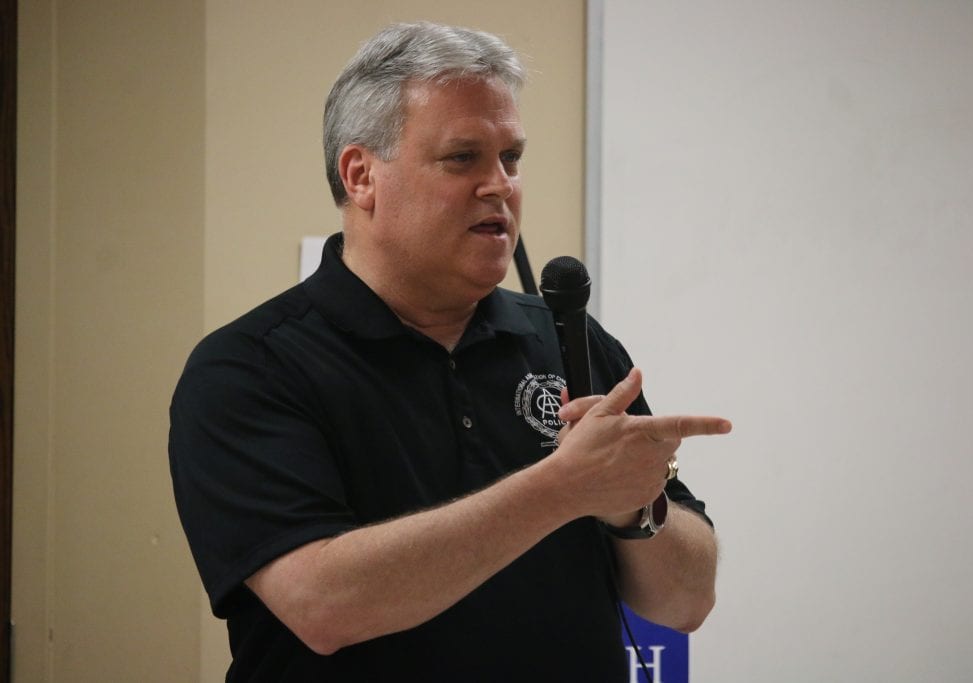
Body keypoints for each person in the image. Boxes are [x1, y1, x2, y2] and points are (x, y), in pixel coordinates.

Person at [169, 21, 731, 682]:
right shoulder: (249, 369)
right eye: (462, 157)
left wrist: (636, 507)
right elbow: (323, 604)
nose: (500, 186)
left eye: (511, 158)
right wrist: (562, 487)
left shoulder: (566, 338)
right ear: (361, 176)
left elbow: (686, 601)